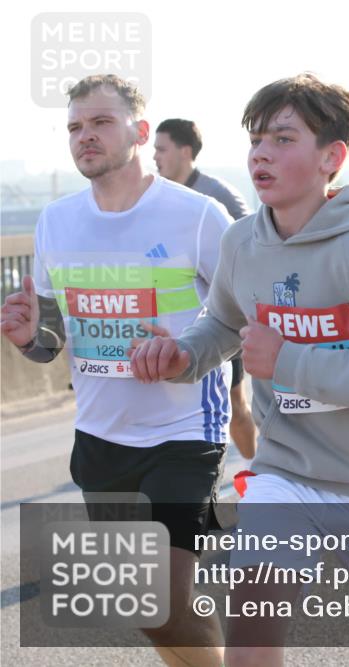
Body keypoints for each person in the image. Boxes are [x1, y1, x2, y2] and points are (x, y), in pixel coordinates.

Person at [129, 73, 349, 667]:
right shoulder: (242, 243)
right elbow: (223, 324)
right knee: (249, 645)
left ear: (332, 157)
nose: (261, 154)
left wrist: (290, 361)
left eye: (282, 138)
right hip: (284, 471)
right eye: (256, 140)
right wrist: (184, 356)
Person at [1, 74, 231, 666]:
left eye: (102, 122)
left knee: (160, 601)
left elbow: (241, 319)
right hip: (100, 437)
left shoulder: (198, 216)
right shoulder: (56, 221)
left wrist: (185, 353)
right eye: (75, 126)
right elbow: (52, 339)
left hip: (183, 433)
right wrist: (29, 339)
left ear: (140, 131)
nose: (86, 136)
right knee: (147, 609)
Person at [153, 117, 257, 460]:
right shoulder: (157, 199)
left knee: (235, 405)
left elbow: (254, 248)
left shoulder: (217, 197)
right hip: (179, 330)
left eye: (161, 149)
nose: (154, 157)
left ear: (185, 152)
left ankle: (257, 471)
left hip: (221, 324)